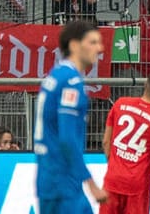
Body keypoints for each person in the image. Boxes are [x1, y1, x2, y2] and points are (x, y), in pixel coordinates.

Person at [37, 19, 109, 213]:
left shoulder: (55, 75)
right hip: (63, 179)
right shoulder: (71, 81)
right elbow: (67, 138)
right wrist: (91, 184)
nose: (100, 48)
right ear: (75, 45)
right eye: (93, 42)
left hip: (49, 175)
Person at [101, 70, 150, 214]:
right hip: (137, 187)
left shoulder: (120, 104)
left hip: (113, 180)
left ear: (145, 85)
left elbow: (106, 141)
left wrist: (115, 165)